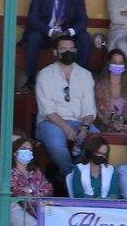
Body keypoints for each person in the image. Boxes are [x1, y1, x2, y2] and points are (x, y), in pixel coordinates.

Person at [34, 34, 98, 179]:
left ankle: (78, 173)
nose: (68, 52)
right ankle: (71, 177)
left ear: (76, 51)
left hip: (79, 121)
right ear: (55, 52)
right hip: (51, 122)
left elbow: (89, 108)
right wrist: (65, 127)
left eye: (71, 49)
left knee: (97, 140)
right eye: (63, 49)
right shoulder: (45, 75)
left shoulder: (85, 75)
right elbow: (47, 109)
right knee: (57, 144)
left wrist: (85, 127)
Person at [22, 0, 92, 90]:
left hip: (67, 34)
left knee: (84, 37)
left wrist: (69, 32)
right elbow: (33, 19)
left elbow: (83, 19)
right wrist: (50, 32)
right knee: (33, 37)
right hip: (47, 34)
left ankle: (83, 78)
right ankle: (30, 79)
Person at [95, 49, 127, 135]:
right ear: (108, 64)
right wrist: (111, 124)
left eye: (120, 63)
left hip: (125, 130)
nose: (117, 65)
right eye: (114, 62)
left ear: (124, 65)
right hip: (104, 130)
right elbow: (98, 114)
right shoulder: (100, 86)